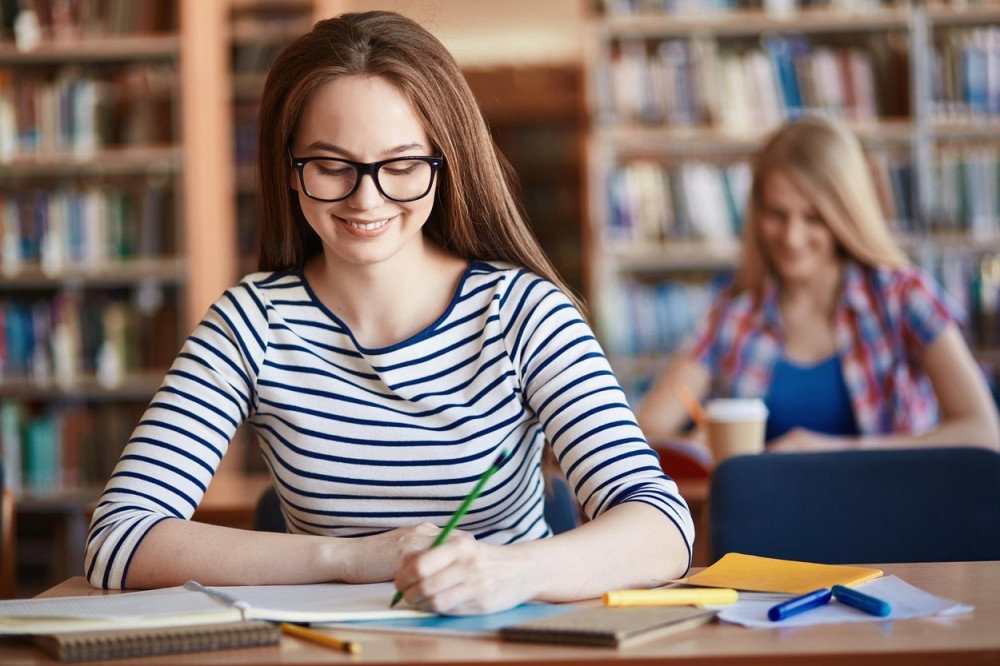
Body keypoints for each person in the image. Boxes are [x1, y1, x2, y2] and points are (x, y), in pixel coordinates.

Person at [84, 10, 693, 615]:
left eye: (401, 166)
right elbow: (118, 537)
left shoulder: (525, 313)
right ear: (289, 169)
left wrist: (511, 572)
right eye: (331, 166)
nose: (367, 198)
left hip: (505, 643)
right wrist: (349, 558)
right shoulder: (251, 322)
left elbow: (663, 525)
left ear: (444, 164)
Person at [637, 115, 1000, 455]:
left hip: (889, 502)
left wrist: (832, 454)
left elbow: (983, 432)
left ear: (845, 215)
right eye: (777, 214)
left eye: (813, 218)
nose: (792, 238)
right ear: (757, 213)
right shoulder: (733, 313)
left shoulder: (903, 297)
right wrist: (694, 445)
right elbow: (647, 431)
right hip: (769, 504)